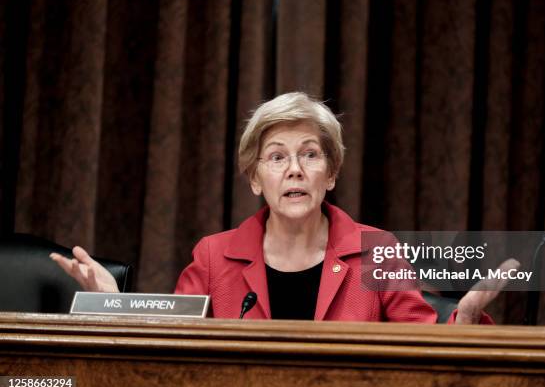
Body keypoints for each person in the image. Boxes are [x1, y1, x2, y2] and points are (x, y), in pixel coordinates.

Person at [51, 92, 518, 323]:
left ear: (330, 175)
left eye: (310, 154)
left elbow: (423, 357)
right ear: (255, 179)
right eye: (276, 157)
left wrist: (466, 317)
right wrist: (110, 304)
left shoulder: (378, 251)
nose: (294, 169)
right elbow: (173, 353)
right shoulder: (214, 257)